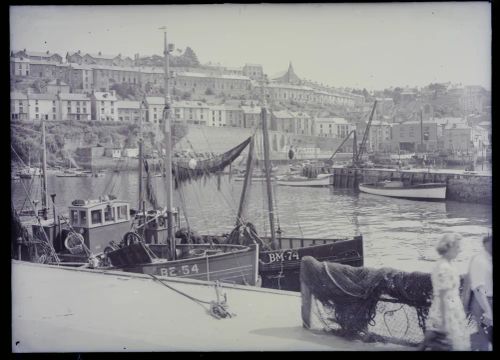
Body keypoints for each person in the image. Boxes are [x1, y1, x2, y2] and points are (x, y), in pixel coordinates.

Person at [420, 234, 471, 351]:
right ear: (449, 247)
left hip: (451, 307)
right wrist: (444, 322)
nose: (460, 250)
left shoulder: (448, 264)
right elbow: (443, 296)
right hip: (446, 309)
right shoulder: (444, 267)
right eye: (457, 247)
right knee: (448, 343)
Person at [466, 235, 493, 351]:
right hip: (482, 303)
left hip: (487, 302)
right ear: (486, 243)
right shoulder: (480, 261)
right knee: (483, 340)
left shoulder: (488, 259)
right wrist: (488, 311)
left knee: (485, 337)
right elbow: (478, 289)